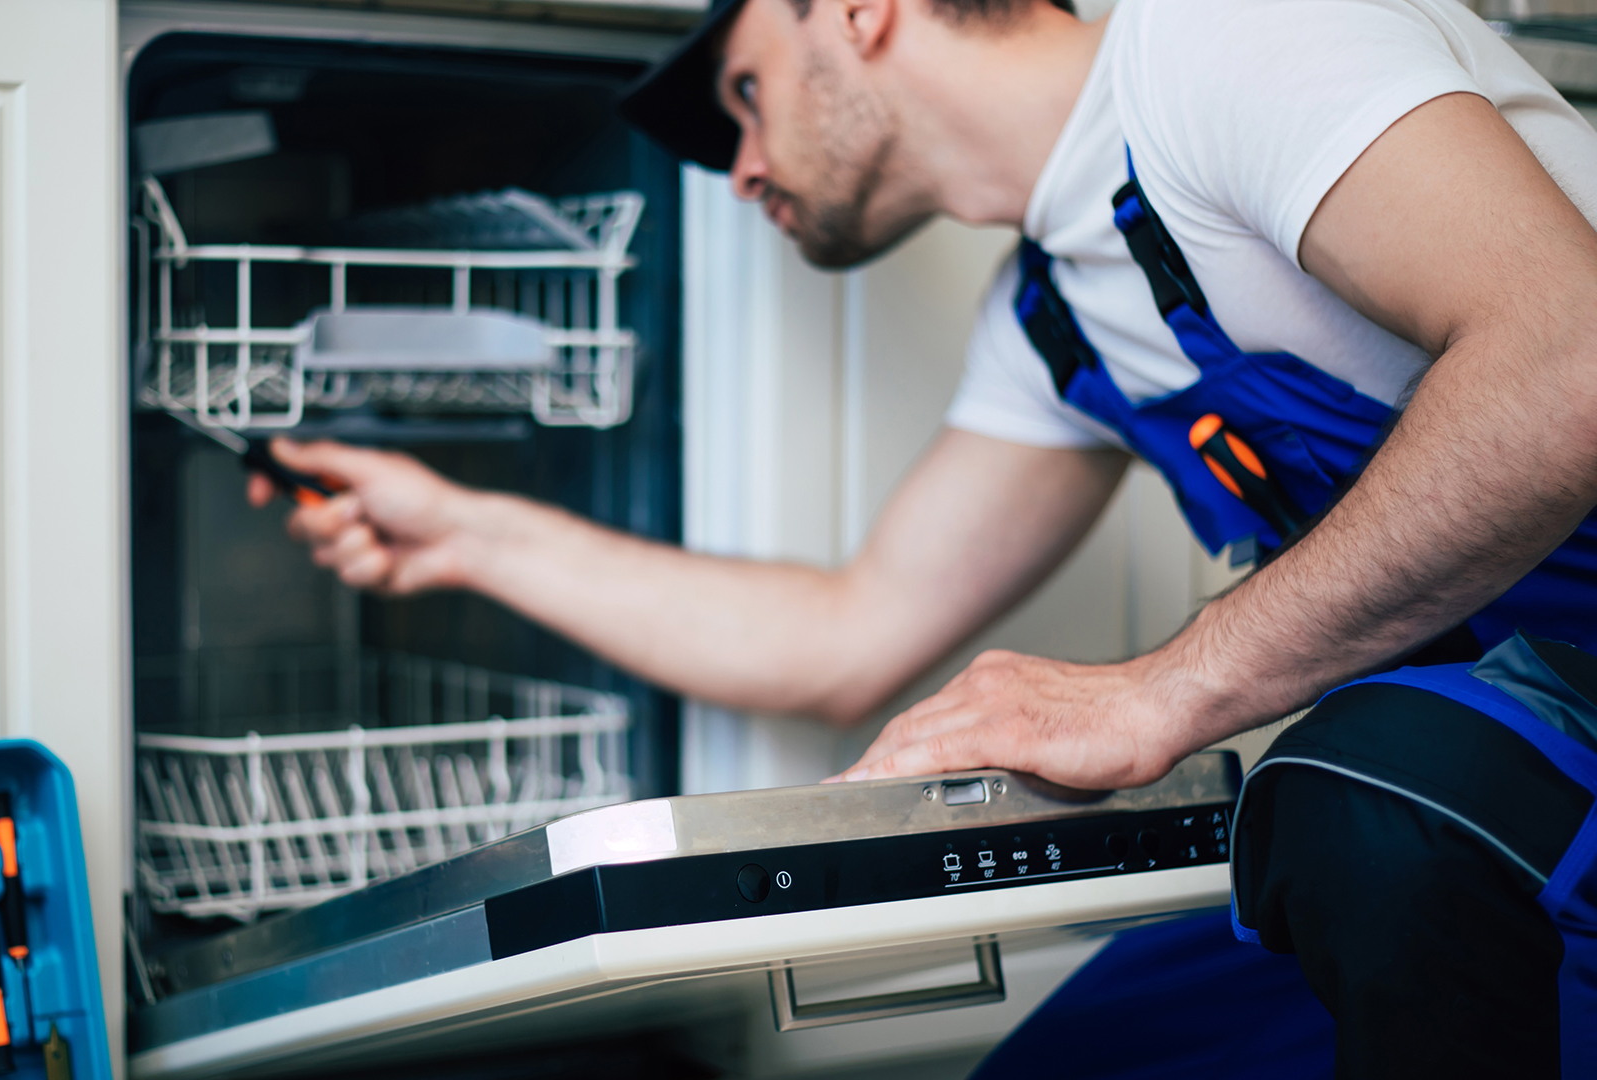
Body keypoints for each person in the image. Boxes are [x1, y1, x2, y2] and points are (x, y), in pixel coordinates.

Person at [253, 0, 1597, 1072]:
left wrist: (1163, 690)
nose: (740, 172)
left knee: (1368, 806)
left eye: (743, 94)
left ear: (861, 9)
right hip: (1511, 742)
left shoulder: (1223, 38)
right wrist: (463, 533)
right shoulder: (1051, 315)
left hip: (1494, 763)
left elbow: (1568, 363)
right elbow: (846, 637)